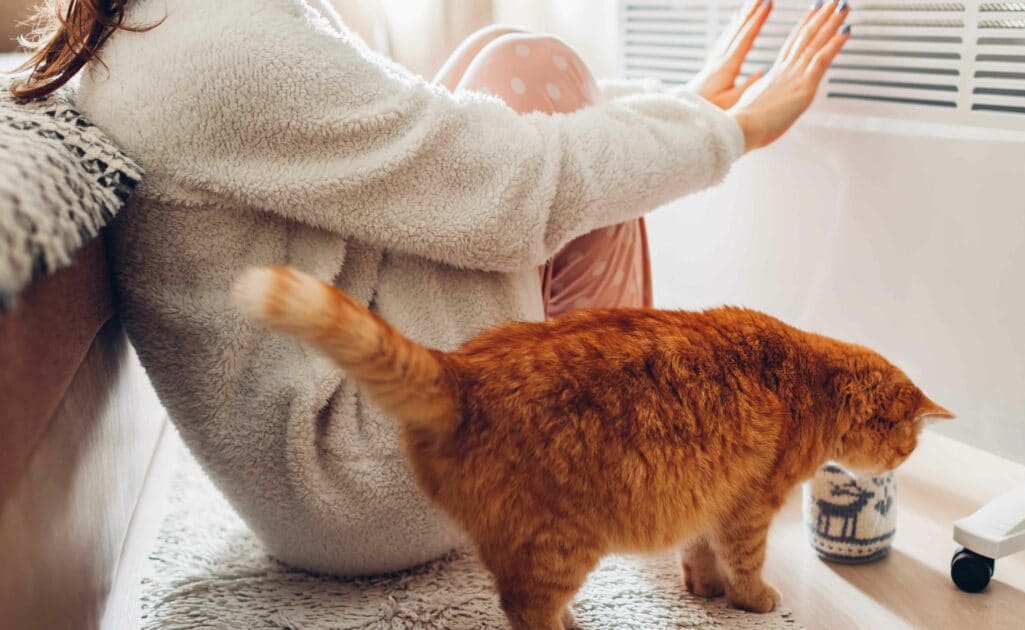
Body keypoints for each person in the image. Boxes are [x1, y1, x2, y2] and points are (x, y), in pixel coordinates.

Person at [10, 0, 850, 574]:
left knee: (498, 77)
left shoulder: (180, 21)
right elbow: (521, 190)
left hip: (320, 465)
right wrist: (730, 131)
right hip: (367, 479)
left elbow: (441, 144)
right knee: (529, 72)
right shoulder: (223, 44)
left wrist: (686, 113)